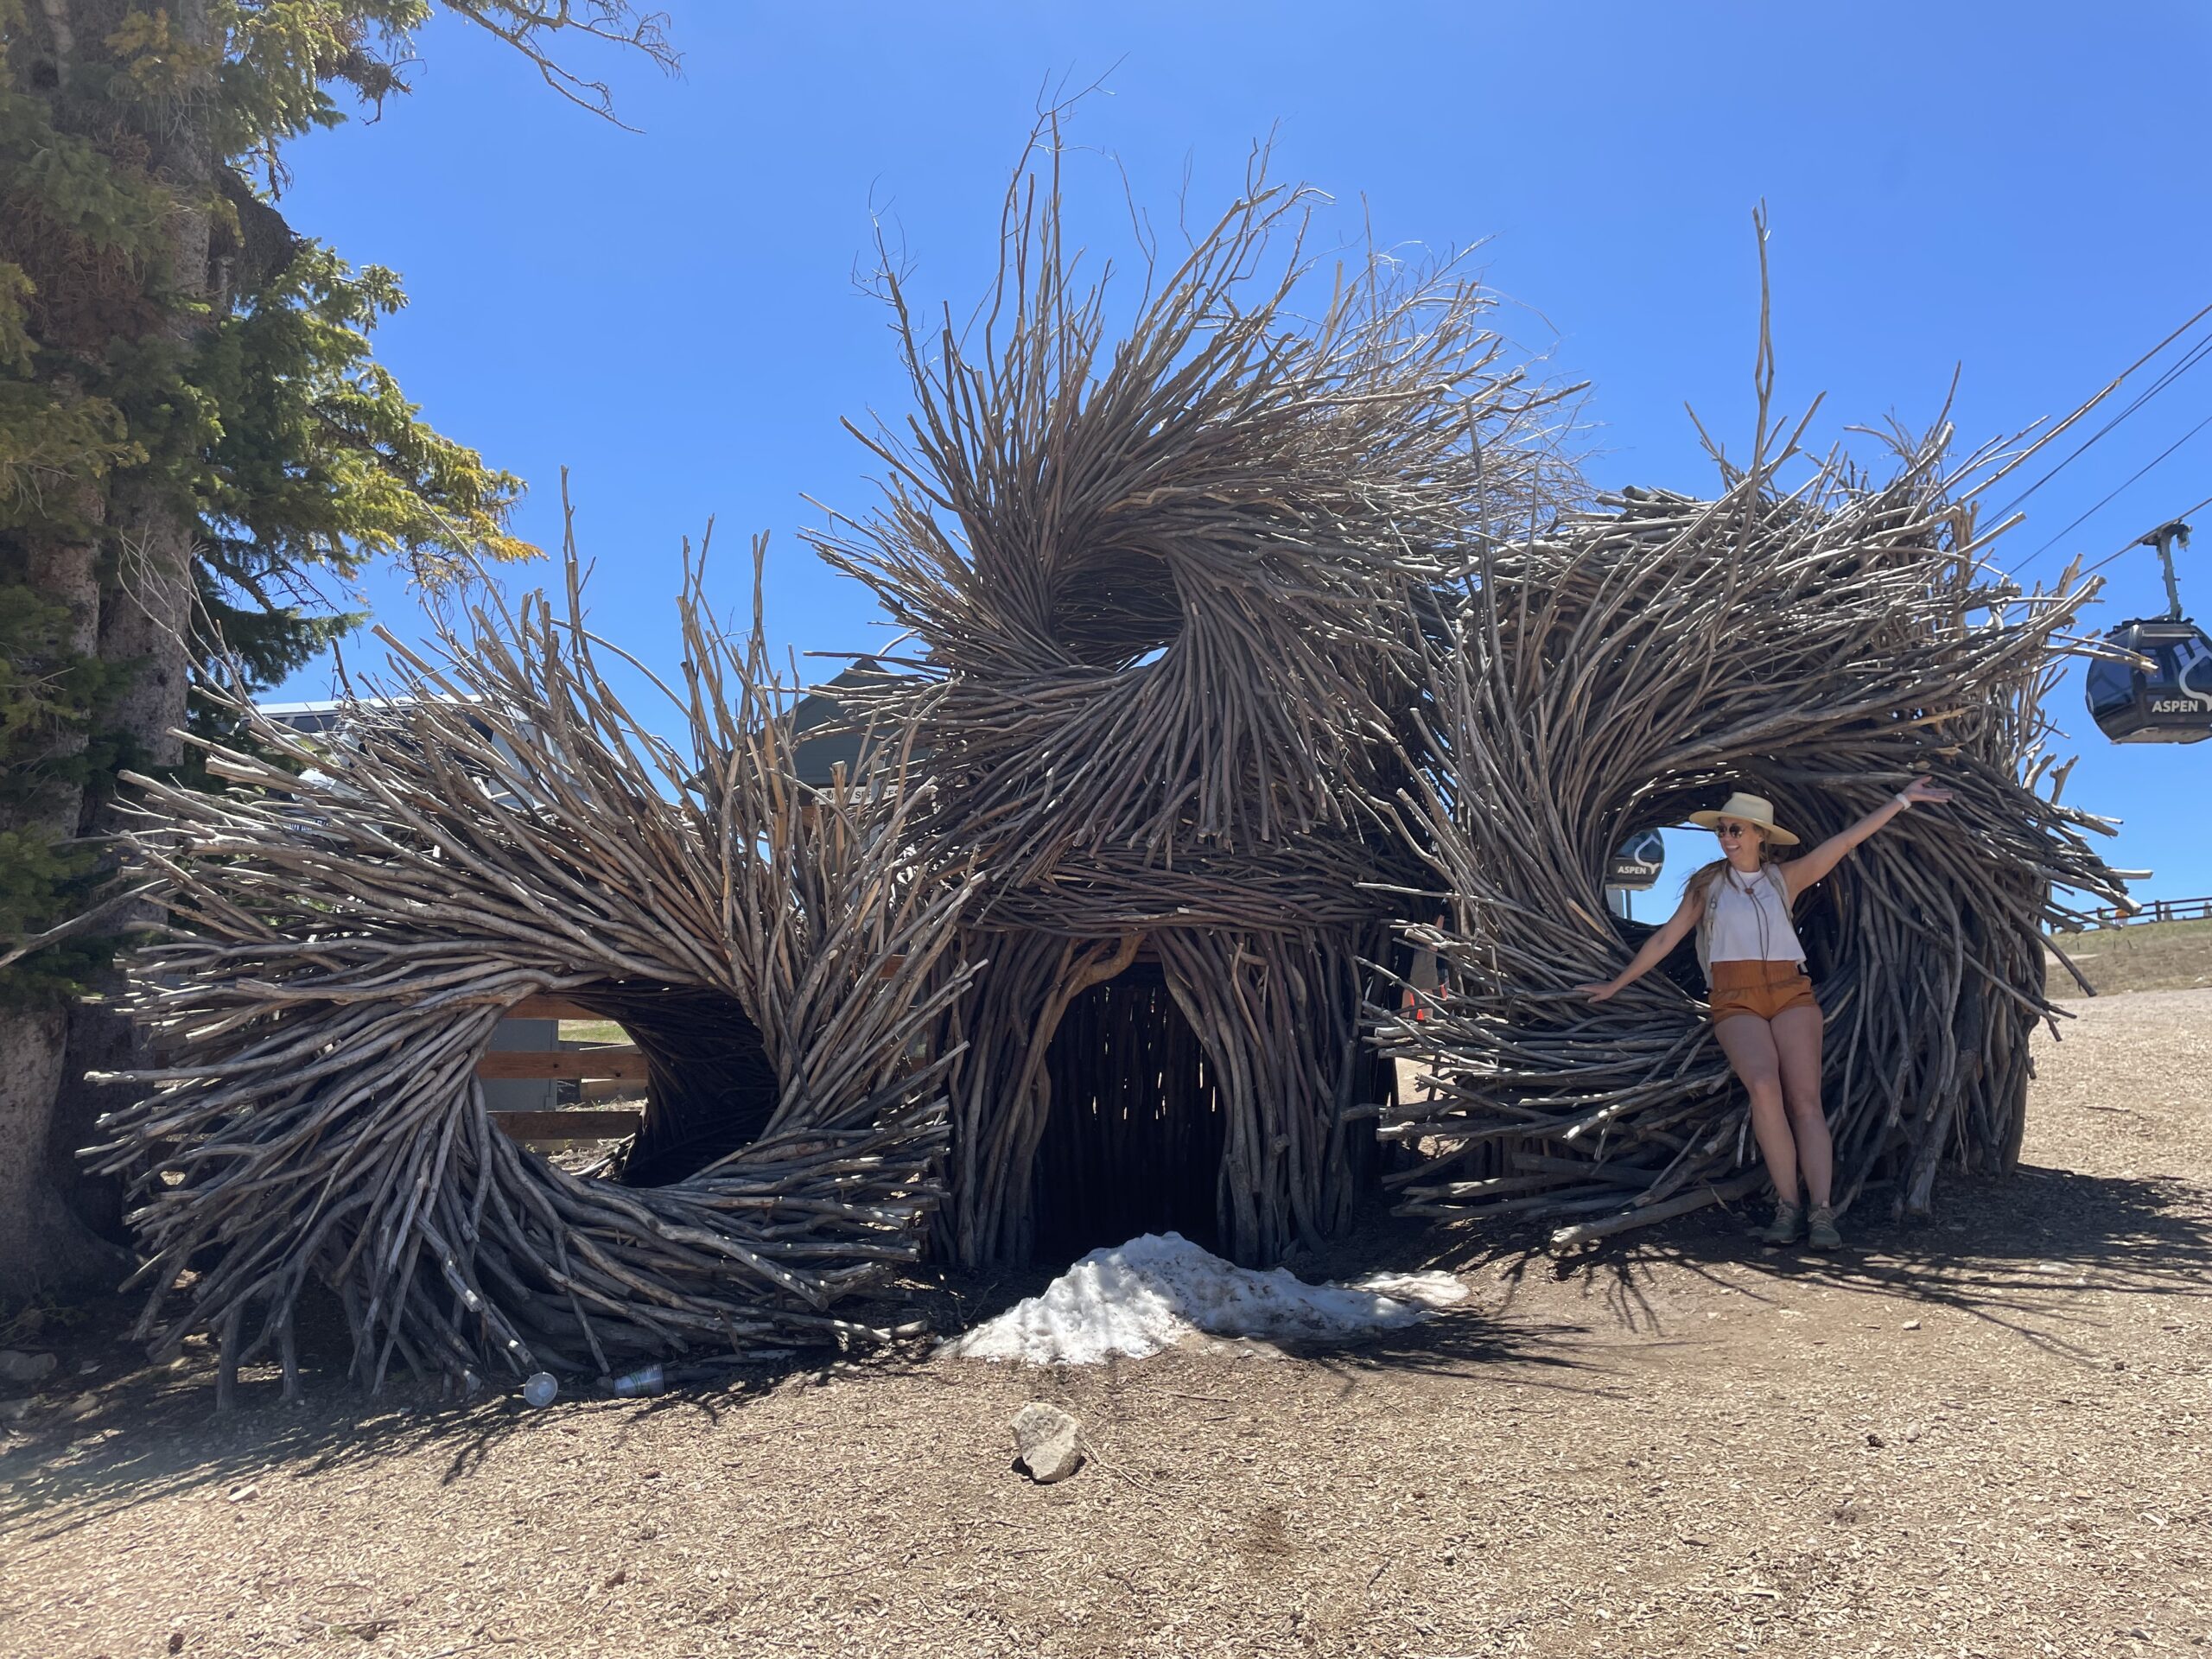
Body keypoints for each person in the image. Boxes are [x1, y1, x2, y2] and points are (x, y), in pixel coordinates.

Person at [1573, 780, 1954, 1249]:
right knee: (1763, 1085)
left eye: (1735, 830)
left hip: (1791, 991)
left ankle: (1821, 1213)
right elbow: (1664, 938)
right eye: (1722, 831)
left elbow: (1847, 841)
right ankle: (1787, 1207)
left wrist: (1902, 800)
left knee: (1807, 1102)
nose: (1726, 837)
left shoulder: (1783, 878)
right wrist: (1617, 984)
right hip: (1734, 997)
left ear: (1759, 836)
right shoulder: (1707, 885)